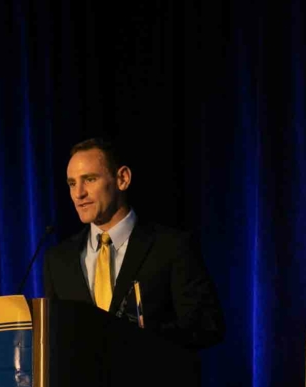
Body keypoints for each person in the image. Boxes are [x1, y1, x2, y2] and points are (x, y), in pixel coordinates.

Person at [43, 138, 224, 350]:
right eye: (72, 183)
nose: (78, 193)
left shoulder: (172, 247)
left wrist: (141, 338)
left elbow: (207, 325)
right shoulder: (58, 260)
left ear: (123, 179)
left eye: (90, 179)